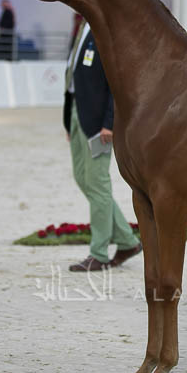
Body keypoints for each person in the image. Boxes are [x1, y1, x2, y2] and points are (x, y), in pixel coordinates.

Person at [63, 17, 141, 272]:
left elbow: (117, 82)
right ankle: (127, 241)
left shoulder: (105, 28)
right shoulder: (82, 27)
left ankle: (99, 253)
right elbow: (74, 73)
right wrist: (70, 119)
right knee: (83, 178)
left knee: (97, 184)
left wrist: (110, 122)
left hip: (99, 122)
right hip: (77, 113)